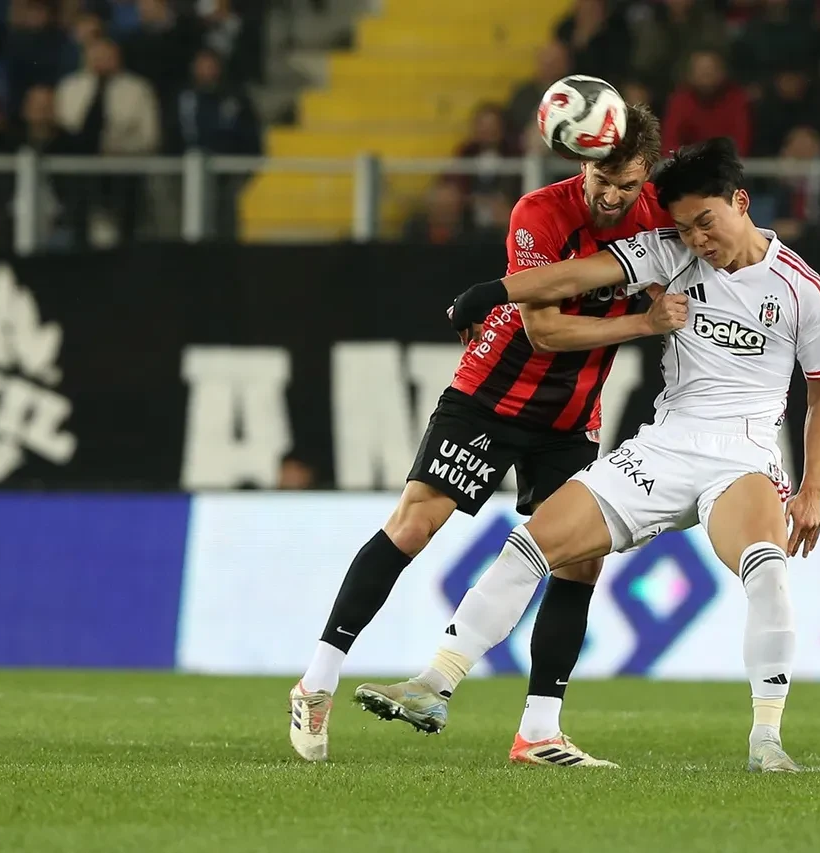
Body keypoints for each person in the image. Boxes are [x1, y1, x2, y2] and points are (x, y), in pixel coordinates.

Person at [358, 137, 820, 773]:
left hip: (743, 457)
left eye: (707, 221)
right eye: (684, 227)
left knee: (766, 568)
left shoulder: (801, 288)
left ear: (741, 201)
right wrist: (496, 289)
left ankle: (767, 742)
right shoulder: (668, 253)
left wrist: (812, 489)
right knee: (531, 542)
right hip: (662, 447)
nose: (698, 239)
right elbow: (577, 275)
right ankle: (435, 685)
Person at [288, 105, 683, 766]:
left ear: (646, 175)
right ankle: (316, 681)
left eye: (627, 182)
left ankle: (539, 730)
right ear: (581, 160)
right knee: (415, 525)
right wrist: (644, 324)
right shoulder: (540, 212)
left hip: (571, 418)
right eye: (600, 178)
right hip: (489, 399)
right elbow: (544, 331)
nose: (611, 194)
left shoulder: (658, 224)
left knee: (579, 559)